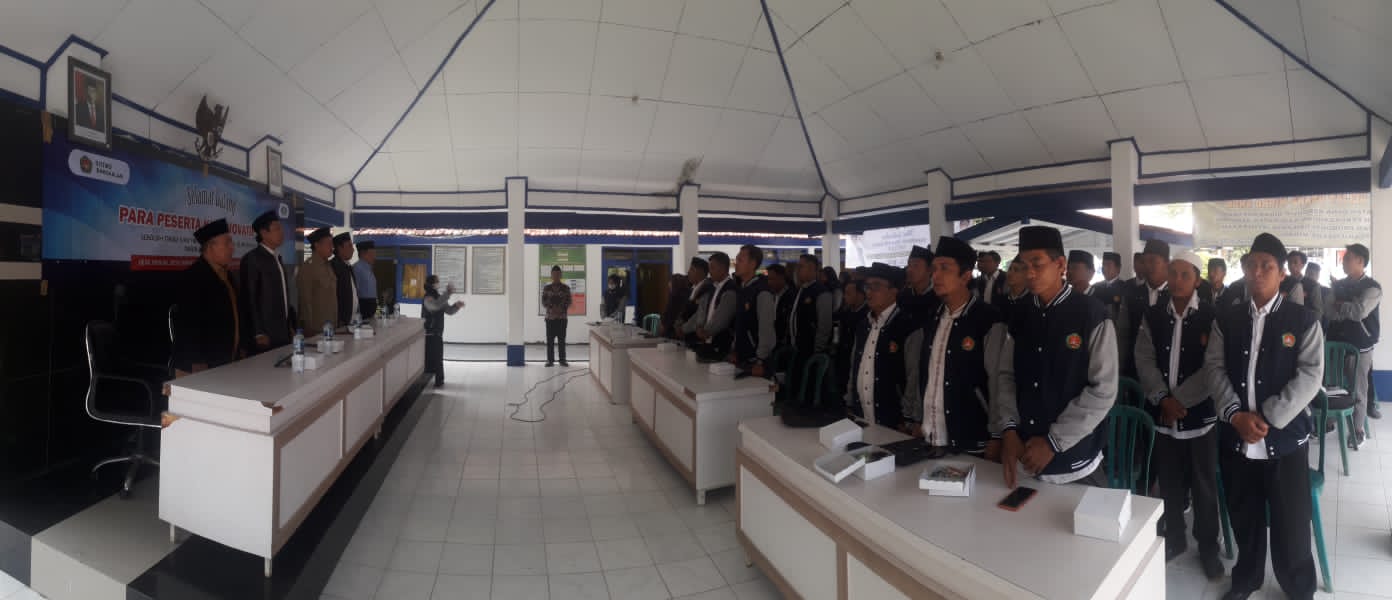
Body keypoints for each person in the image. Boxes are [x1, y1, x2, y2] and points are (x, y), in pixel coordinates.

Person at [1206, 233, 1322, 600]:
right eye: (1251, 265)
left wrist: (1267, 418)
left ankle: (1298, 587)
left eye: (1266, 266)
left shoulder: (1303, 319)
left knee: (1291, 523)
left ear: (1282, 273)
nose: (1257, 272)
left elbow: (1310, 376)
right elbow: (1214, 368)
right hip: (1237, 438)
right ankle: (1247, 579)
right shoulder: (1227, 318)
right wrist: (1235, 415)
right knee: (1245, 516)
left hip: (1284, 440)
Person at [996, 225, 1117, 488]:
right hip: (1025, 455)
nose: (1029, 273)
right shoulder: (1019, 314)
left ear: (1060, 264)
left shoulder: (1091, 313)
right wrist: (1009, 429)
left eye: (1037, 264)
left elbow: (1103, 389)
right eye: (1023, 265)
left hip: (1075, 462)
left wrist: (1053, 442)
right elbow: (1006, 376)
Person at [1134, 252, 1223, 579]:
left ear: (1197, 280)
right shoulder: (1154, 314)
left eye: (1185, 275)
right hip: (1163, 416)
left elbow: (1213, 366)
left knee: (1204, 486)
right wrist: (1162, 399)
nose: (1176, 280)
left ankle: (1208, 547)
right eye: (1172, 273)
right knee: (1169, 482)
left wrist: (1178, 400)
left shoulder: (1212, 316)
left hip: (1199, 417)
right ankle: (1174, 537)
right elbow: (1143, 358)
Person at [902, 236, 1006, 454]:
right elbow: (925, 372)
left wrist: (997, 435)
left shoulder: (988, 319)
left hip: (971, 437)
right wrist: (918, 419)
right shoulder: (933, 316)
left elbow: (998, 382)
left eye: (945, 268)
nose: (936, 276)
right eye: (934, 269)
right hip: (931, 434)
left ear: (965, 276)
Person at [846, 263, 914, 428]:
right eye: (867, 287)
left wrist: (909, 418)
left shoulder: (906, 326)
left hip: (893, 420)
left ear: (894, 291)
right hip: (861, 416)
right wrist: (850, 400)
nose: (869, 292)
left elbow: (913, 377)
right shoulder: (863, 325)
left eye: (876, 286)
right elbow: (855, 365)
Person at [173, 219, 241, 375]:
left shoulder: (228, 276)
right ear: (210, 247)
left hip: (225, 362)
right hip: (199, 367)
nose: (232, 248)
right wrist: (197, 362)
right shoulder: (193, 277)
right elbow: (187, 326)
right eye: (227, 243)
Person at [1329, 243, 1382, 443]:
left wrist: (1341, 305)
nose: (1343, 262)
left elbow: (1360, 312)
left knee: (1358, 389)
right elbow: (1328, 310)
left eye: (1347, 258)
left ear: (1360, 261)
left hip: (1359, 346)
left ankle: (1358, 430)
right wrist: (1345, 307)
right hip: (1336, 343)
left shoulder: (1372, 287)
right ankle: (1329, 421)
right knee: (1332, 385)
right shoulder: (1339, 285)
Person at [239, 210, 292, 354]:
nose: (281, 233)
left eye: (281, 228)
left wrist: (289, 326)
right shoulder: (253, 259)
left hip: (282, 331)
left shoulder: (277, 258)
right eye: (277, 229)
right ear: (264, 233)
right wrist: (258, 332)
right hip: (265, 336)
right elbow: (249, 299)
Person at [1118, 240, 1171, 378]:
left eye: (1153, 261)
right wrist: (1120, 369)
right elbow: (1123, 335)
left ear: (1167, 263)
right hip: (1134, 371)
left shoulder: (1176, 296)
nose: (1147, 266)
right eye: (1144, 261)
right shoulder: (1132, 295)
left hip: (1166, 372)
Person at [788, 254, 835, 399]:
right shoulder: (801, 289)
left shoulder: (821, 292)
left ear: (811, 268)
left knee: (810, 385)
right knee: (799, 382)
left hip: (812, 348)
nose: (797, 270)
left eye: (801, 266)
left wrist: (818, 348)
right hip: (799, 345)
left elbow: (824, 324)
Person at [731, 245, 777, 375]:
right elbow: (740, 324)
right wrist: (735, 349)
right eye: (736, 260)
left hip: (756, 362)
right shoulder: (743, 289)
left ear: (752, 264)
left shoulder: (762, 292)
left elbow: (766, 329)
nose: (736, 264)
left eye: (740, 260)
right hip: (742, 357)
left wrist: (760, 360)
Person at [422, 275, 464, 387]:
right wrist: (448, 293)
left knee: (438, 358)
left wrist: (456, 306)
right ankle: (430, 381)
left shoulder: (439, 297)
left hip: (438, 332)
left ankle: (439, 381)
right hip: (429, 333)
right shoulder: (428, 298)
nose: (438, 284)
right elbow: (435, 306)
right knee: (430, 359)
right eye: (437, 282)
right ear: (431, 284)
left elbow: (449, 311)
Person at [296, 227, 338, 334]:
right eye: (328, 244)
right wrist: (308, 327)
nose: (332, 247)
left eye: (332, 244)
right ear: (317, 245)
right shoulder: (308, 267)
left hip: (332, 326)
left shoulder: (328, 266)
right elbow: (305, 301)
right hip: (316, 328)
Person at [832, 278, 868, 401]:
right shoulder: (846, 312)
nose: (844, 297)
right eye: (844, 293)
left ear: (860, 295)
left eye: (848, 293)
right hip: (843, 357)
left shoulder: (867, 315)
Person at [695, 252, 738, 353]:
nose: (709, 272)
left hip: (722, 342)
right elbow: (705, 311)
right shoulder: (713, 287)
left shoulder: (730, 289)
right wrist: (699, 326)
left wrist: (706, 332)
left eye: (712, 268)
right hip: (708, 340)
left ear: (723, 268)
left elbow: (722, 318)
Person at [900, 245, 941, 326]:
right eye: (909, 265)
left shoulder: (939, 297)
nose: (909, 270)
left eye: (915, 265)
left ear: (930, 270)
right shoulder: (902, 297)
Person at [541, 265, 572, 367]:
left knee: (561, 340)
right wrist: (552, 308)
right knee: (550, 340)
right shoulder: (547, 288)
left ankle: (562, 360)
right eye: (554, 274)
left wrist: (561, 309)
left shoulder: (566, 288)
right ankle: (550, 360)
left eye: (558, 274)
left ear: (561, 275)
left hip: (562, 318)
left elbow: (569, 301)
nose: (556, 276)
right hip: (550, 318)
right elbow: (543, 301)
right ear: (551, 275)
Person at [677, 257, 713, 342]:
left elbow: (699, 314)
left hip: (697, 335)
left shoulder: (707, 288)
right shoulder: (693, 288)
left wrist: (683, 328)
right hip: (687, 335)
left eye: (692, 269)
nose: (688, 272)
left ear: (701, 272)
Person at [329, 232, 358, 327]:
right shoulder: (334, 266)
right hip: (340, 320)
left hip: (351, 319)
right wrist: (339, 318)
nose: (353, 249)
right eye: (349, 246)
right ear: (340, 248)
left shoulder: (347, 265)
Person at [1284, 251, 1322, 322]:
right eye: (1289, 262)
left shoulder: (1312, 285)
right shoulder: (1282, 281)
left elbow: (1318, 311)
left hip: (1303, 321)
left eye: (1295, 262)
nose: (1291, 265)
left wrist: (1308, 323)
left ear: (1303, 265)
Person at [765, 264, 793, 347]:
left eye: (772, 279)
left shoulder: (791, 297)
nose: (769, 282)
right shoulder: (771, 295)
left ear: (781, 278)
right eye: (768, 279)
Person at [659, 273, 690, 339]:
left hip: (672, 331)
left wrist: (663, 326)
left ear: (674, 283)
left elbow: (669, 313)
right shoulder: (688, 294)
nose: (668, 284)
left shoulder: (674, 296)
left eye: (670, 281)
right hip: (682, 330)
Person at [354, 241, 379, 321]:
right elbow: (355, 290)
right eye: (371, 254)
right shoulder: (358, 268)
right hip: (363, 305)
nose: (374, 257)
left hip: (371, 305)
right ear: (363, 253)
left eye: (374, 254)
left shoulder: (368, 268)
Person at [1095, 251, 1124, 317]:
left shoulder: (1125, 288)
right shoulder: (1096, 287)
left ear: (1118, 268)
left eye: (1108, 265)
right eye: (1103, 264)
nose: (1104, 268)